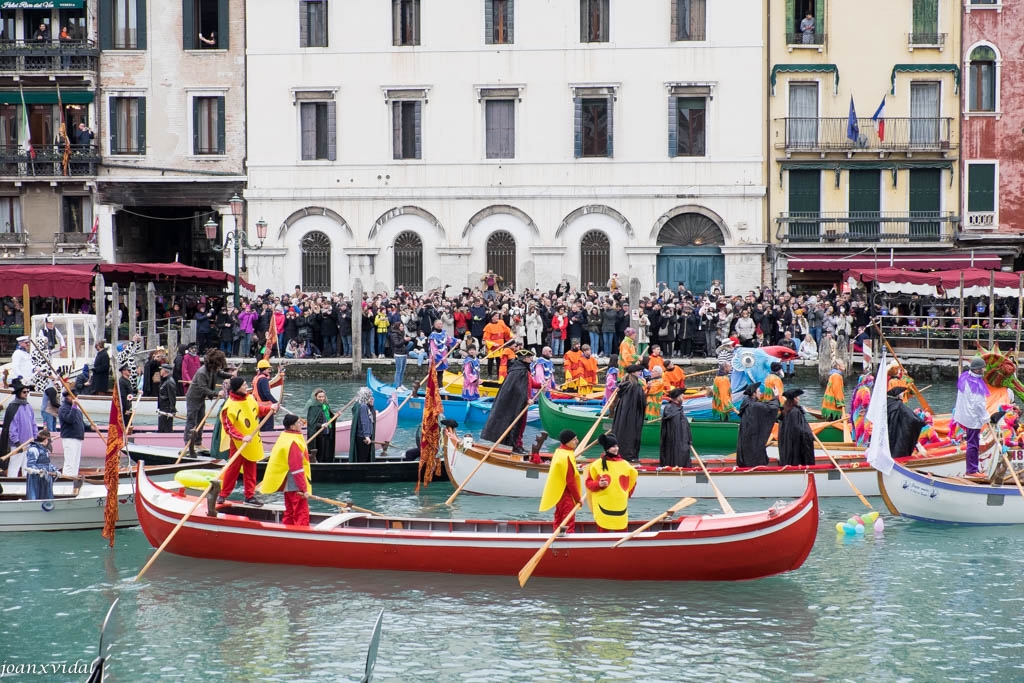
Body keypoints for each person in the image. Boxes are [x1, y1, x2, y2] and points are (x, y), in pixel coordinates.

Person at [218, 376, 275, 506]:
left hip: (252, 440)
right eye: (244, 385)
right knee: (233, 469)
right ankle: (223, 494)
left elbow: (258, 410)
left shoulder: (249, 398)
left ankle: (249, 496)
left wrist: (270, 408)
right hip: (238, 443)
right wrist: (242, 437)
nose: (246, 386)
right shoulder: (229, 406)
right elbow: (228, 427)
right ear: (238, 388)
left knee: (251, 468)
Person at [480, 349, 540, 454]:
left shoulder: (524, 370)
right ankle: (516, 446)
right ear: (525, 358)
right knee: (518, 425)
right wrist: (527, 399)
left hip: (522, 402)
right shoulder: (519, 371)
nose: (531, 359)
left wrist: (541, 385)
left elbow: (530, 383)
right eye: (530, 357)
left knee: (521, 425)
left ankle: (518, 444)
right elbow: (518, 389)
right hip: (519, 403)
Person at [259, 414, 312, 526]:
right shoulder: (293, 442)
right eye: (298, 422)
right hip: (294, 482)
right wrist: (304, 489)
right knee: (300, 511)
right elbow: (297, 468)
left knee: (290, 510)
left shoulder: (284, 436)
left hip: (286, 480)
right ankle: (300, 534)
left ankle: (288, 528)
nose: (301, 424)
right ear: (292, 427)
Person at [585, 433, 638, 532]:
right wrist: (598, 484)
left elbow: (633, 481)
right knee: (603, 531)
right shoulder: (596, 465)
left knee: (622, 529)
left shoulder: (625, 465)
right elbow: (588, 483)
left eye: (616, 446)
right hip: (604, 504)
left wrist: (626, 494)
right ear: (607, 448)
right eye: (613, 446)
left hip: (619, 504)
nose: (616, 448)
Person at [183, 349, 233, 444]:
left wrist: (231, 376)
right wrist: (216, 393)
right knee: (191, 420)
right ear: (214, 363)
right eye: (218, 365)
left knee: (201, 419)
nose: (219, 367)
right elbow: (203, 388)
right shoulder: (202, 372)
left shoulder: (213, 369)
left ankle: (198, 442)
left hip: (201, 398)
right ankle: (188, 442)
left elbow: (220, 373)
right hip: (194, 397)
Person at [538, 429, 583, 533]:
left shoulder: (559, 451)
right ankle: (567, 544)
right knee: (568, 521)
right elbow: (570, 481)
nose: (577, 441)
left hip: (558, 493)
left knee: (558, 518)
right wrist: (578, 498)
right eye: (574, 439)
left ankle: (557, 536)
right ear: (568, 441)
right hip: (566, 494)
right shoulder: (566, 457)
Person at [736, 383, 779, 468]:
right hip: (753, 439)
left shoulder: (746, 403)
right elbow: (772, 408)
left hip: (746, 438)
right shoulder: (754, 406)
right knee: (755, 456)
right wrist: (776, 397)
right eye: (759, 391)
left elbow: (764, 405)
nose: (760, 393)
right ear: (754, 394)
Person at [0, 378, 37, 477]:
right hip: (17, 444)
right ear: (19, 393)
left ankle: (26, 483)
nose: (26, 394)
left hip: (28, 442)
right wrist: (17, 442)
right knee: (14, 465)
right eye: (24, 392)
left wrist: (35, 436)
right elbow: (12, 427)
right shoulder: (13, 407)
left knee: (27, 465)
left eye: (27, 392)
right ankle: (12, 482)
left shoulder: (28, 406)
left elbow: (33, 423)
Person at [611, 363, 646, 462]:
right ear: (634, 373)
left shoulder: (626, 385)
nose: (640, 372)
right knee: (631, 435)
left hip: (623, 415)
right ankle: (629, 456)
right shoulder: (635, 386)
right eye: (639, 371)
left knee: (622, 433)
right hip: (632, 416)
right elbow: (641, 402)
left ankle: (621, 454)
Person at [888, 386, 928, 461]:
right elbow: (911, 417)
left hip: (890, 429)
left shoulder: (888, 403)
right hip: (897, 429)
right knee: (899, 443)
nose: (903, 396)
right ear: (899, 395)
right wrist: (921, 422)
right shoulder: (899, 405)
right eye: (903, 394)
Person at [778, 388, 814, 466]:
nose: (799, 398)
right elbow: (799, 429)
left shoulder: (785, 410)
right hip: (795, 443)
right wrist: (810, 434)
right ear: (794, 399)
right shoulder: (795, 412)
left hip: (788, 442)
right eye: (797, 397)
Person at [659, 388, 693, 467]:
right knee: (677, 455)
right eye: (682, 395)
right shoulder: (671, 409)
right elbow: (678, 430)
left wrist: (688, 439)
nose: (683, 396)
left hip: (681, 441)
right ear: (677, 397)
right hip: (677, 443)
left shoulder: (676, 409)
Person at [57, 390, 85, 476]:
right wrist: (74, 406)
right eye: (74, 396)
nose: (76, 398)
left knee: (76, 462)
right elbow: (70, 419)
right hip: (70, 438)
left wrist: (90, 427)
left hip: (78, 437)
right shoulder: (63, 408)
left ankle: (74, 479)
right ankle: (67, 480)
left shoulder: (77, 409)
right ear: (68, 397)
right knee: (70, 462)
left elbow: (81, 423)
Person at [24, 431, 58, 501]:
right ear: (45, 440)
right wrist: (39, 471)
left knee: (46, 497)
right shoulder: (33, 450)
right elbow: (30, 465)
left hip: (45, 479)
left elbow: (47, 463)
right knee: (36, 497)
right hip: (36, 479)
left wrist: (55, 470)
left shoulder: (44, 450)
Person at [305, 387, 336, 463]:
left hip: (327, 434)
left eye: (323, 397)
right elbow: (311, 423)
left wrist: (335, 416)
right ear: (316, 397)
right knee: (320, 454)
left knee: (327, 453)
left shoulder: (325, 406)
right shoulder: (313, 408)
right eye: (320, 397)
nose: (322, 398)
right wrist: (321, 425)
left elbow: (329, 418)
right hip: (319, 435)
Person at [253, 358, 283, 431]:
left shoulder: (256, 378)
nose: (270, 371)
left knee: (262, 424)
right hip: (266, 406)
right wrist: (276, 402)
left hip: (259, 405)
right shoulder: (264, 379)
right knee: (268, 425)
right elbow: (267, 393)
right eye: (268, 369)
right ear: (264, 369)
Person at [428, 318, 457, 387]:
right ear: (435, 325)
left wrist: (456, 341)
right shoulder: (432, 336)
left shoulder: (444, 333)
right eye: (438, 324)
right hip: (436, 357)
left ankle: (440, 387)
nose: (440, 325)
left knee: (441, 372)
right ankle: (433, 387)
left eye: (441, 324)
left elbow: (449, 340)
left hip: (443, 355)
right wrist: (439, 357)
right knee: (433, 373)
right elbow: (433, 348)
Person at [349, 387, 376, 463]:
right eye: (369, 396)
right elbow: (365, 421)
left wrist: (371, 405)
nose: (371, 398)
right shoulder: (363, 407)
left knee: (362, 456)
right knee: (363, 457)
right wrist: (367, 436)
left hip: (361, 436)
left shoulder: (358, 405)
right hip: (363, 437)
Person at [483, 312, 512, 379]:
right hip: (492, 346)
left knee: (499, 361)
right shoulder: (488, 326)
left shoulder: (501, 323)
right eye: (496, 316)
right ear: (492, 317)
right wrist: (493, 344)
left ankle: (499, 375)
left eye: (498, 316)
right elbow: (486, 338)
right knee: (490, 361)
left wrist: (511, 335)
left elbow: (507, 331)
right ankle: (489, 375)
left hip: (500, 346)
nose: (497, 317)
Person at [850, 372, 875, 446]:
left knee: (858, 432)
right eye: (871, 381)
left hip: (856, 414)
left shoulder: (858, 388)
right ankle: (862, 448)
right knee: (863, 432)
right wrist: (864, 408)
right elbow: (865, 402)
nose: (872, 383)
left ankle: (859, 445)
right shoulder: (865, 390)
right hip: (862, 414)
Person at [389, 321, 411, 389]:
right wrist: (404, 340)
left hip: (403, 353)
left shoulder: (402, 333)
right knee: (398, 371)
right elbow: (397, 344)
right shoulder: (394, 334)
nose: (402, 327)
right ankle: (397, 386)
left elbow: (403, 344)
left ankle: (400, 384)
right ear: (397, 327)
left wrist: (407, 341)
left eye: (402, 326)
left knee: (402, 370)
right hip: (398, 354)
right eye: (401, 326)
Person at [156, 364, 177, 433]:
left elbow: (172, 397)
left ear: (165, 371)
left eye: (161, 369)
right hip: (163, 407)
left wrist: (172, 409)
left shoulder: (169, 382)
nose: (160, 371)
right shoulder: (164, 381)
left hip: (167, 409)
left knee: (166, 429)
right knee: (161, 428)